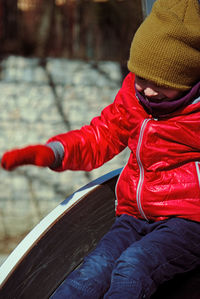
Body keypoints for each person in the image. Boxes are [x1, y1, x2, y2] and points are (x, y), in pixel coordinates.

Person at [1, 0, 200, 298]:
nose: (145, 89)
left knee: (134, 265)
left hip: (187, 222)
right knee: (92, 271)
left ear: (186, 78)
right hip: (133, 217)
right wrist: (55, 151)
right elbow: (101, 135)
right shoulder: (134, 99)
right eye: (141, 77)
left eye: (158, 82)